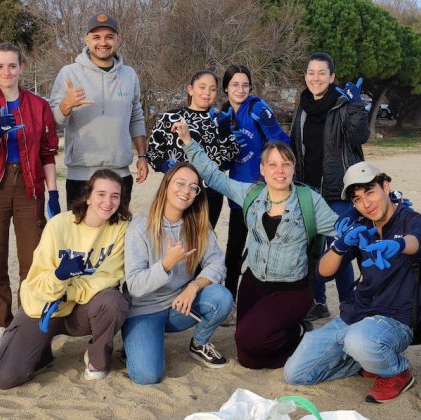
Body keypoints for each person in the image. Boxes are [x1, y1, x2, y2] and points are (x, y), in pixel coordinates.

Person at [174, 119, 339, 369]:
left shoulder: (309, 201)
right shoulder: (251, 194)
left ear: (294, 168)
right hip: (253, 284)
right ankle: (295, 332)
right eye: (272, 164)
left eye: (286, 164)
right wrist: (187, 141)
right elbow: (214, 177)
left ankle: (298, 333)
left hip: (291, 290)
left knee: (250, 338)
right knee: (248, 357)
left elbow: (342, 228)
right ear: (262, 169)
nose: (279, 170)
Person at [284, 162, 421, 403]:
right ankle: (366, 360)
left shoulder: (413, 221)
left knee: (359, 340)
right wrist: (341, 244)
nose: (365, 203)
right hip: (355, 315)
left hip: (395, 320)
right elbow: (323, 272)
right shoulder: (361, 226)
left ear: (386, 187)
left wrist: (398, 245)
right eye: (357, 199)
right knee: (296, 374)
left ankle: (397, 372)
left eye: (370, 192)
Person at [0, 170, 131, 389]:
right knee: (6, 378)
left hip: (82, 309)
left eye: (115, 196)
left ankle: (96, 358)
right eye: (101, 194)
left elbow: (108, 277)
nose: (108, 202)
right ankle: (38, 349)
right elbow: (36, 281)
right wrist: (58, 276)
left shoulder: (121, 229)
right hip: (45, 307)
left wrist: (68, 292)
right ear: (88, 196)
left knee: (114, 302)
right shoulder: (59, 225)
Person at [0, 43, 60, 346]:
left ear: (21, 68)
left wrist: (54, 195)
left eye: (12, 66)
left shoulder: (38, 105)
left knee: (32, 259)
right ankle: (0, 320)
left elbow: (48, 153)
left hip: (30, 186)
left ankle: (25, 318)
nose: (6, 72)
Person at [122, 163, 233, 384]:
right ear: (166, 185)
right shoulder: (140, 227)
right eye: (180, 183)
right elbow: (134, 285)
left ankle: (199, 344)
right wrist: (165, 265)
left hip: (179, 305)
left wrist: (194, 287)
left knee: (222, 297)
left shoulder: (197, 224)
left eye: (193, 187)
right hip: (144, 310)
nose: (186, 191)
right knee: (147, 376)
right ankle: (138, 341)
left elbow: (217, 263)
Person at [290, 52, 369, 322]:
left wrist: (358, 106)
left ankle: (348, 303)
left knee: (341, 248)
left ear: (332, 77)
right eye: (311, 72)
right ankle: (318, 301)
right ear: (305, 76)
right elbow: (295, 145)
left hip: (339, 191)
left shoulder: (343, 104)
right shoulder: (302, 105)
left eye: (322, 73)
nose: (316, 78)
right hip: (307, 188)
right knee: (312, 249)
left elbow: (360, 136)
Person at [214, 65, 291, 323]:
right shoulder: (223, 114)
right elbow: (224, 163)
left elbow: (281, 142)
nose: (240, 89)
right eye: (235, 84)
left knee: (264, 247)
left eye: (245, 85)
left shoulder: (257, 108)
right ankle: (228, 303)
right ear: (226, 87)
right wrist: (227, 143)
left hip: (263, 194)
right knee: (234, 249)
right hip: (238, 196)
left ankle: (265, 301)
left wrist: (271, 167)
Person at [49, 12, 147, 208]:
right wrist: (66, 104)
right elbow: (55, 122)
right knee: (80, 237)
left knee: (116, 236)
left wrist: (142, 156)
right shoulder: (69, 73)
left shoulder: (129, 75)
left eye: (109, 37)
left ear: (118, 39)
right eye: (96, 37)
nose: (103, 42)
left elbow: (136, 117)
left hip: (120, 174)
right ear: (86, 39)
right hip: (81, 175)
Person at [146, 70, 239, 228]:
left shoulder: (221, 120)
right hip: (177, 190)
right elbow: (153, 152)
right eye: (202, 87)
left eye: (212, 89)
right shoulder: (169, 118)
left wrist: (224, 131)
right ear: (190, 89)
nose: (207, 93)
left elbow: (230, 158)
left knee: (203, 242)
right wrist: (164, 166)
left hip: (210, 193)